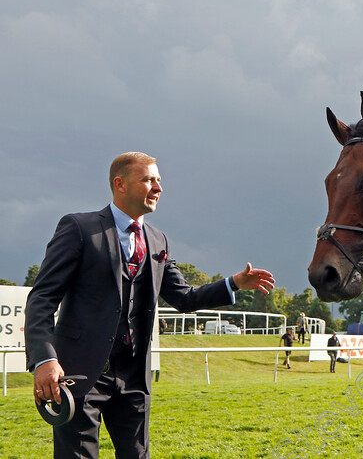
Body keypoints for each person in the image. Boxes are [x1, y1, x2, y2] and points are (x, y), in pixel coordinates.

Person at [24, 152, 275, 459]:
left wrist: (233, 283)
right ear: (120, 184)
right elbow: (42, 297)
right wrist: (44, 360)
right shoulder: (79, 228)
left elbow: (185, 298)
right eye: (148, 180)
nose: (157, 187)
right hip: (79, 374)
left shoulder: (157, 241)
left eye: (159, 180)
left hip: (133, 378)